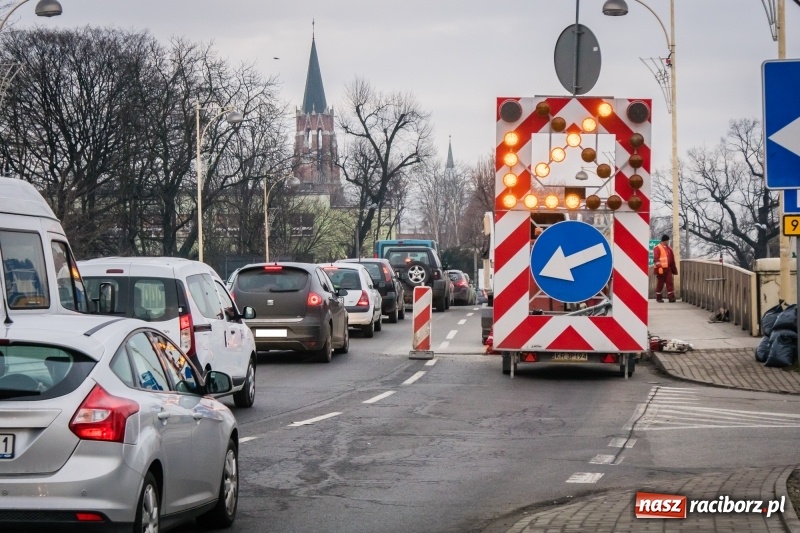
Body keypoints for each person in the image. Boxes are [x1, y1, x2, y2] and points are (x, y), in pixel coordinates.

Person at [653, 234, 678, 302]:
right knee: (660, 283)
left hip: (668, 268)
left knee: (669, 282)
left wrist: (673, 269)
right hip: (660, 269)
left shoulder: (668, 248)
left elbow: (671, 259)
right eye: (667, 241)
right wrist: (659, 267)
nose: (668, 242)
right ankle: (658, 297)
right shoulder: (657, 248)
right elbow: (656, 258)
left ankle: (671, 297)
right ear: (665, 241)